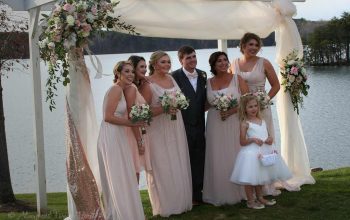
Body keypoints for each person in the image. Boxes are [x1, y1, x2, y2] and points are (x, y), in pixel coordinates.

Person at [140, 51, 192, 217]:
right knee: (162, 165)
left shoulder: (171, 79)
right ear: (154, 64)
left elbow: (179, 98)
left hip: (175, 126)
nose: (167, 65)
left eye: (168, 62)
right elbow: (143, 112)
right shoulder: (148, 84)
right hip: (158, 129)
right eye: (163, 62)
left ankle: (181, 201)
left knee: (177, 161)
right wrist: (163, 108)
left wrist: (179, 104)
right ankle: (166, 206)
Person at [231, 32, 281, 195]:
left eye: (256, 45)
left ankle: (267, 187)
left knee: (265, 144)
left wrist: (264, 99)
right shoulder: (234, 64)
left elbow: (276, 86)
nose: (254, 48)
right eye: (250, 44)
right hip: (243, 111)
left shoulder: (264, 63)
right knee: (250, 148)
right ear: (243, 46)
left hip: (261, 110)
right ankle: (251, 186)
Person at [97, 61, 145, 220]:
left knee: (123, 174)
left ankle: (122, 212)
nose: (131, 74)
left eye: (132, 71)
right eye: (127, 71)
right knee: (117, 174)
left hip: (117, 134)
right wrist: (132, 123)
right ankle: (119, 213)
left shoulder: (122, 90)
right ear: (118, 73)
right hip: (111, 135)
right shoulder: (116, 89)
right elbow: (107, 117)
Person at [202, 51, 249, 206]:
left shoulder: (237, 79)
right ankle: (221, 191)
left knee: (236, 152)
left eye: (225, 60)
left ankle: (243, 191)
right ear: (213, 65)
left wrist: (230, 111)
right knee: (218, 154)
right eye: (219, 61)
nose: (223, 63)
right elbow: (207, 104)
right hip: (215, 123)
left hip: (234, 120)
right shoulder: (208, 82)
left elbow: (247, 101)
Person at [230, 93, 292, 209]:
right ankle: (250, 201)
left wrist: (270, 139)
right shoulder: (245, 123)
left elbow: (268, 135)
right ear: (245, 109)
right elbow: (242, 142)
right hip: (251, 154)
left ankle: (260, 197)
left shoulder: (261, 120)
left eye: (255, 106)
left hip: (264, 152)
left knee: (260, 177)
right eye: (250, 107)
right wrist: (252, 139)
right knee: (250, 179)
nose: (253, 109)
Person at [171, 46, 207, 205]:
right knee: (186, 159)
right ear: (181, 60)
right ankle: (188, 194)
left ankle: (199, 193)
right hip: (182, 125)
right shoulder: (174, 77)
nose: (192, 60)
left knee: (200, 158)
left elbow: (203, 99)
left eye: (194, 56)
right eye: (188, 58)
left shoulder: (203, 74)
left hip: (200, 124)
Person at [125, 55, 152, 182]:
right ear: (133, 69)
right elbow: (132, 116)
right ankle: (131, 201)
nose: (145, 69)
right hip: (131, 134)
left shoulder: (135, 86)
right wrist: (139, 141)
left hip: (135, 132)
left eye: (146, 67)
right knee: (133, 172)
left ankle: (132, 201)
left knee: (135, 171)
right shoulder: (130, 88)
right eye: (141, 67)